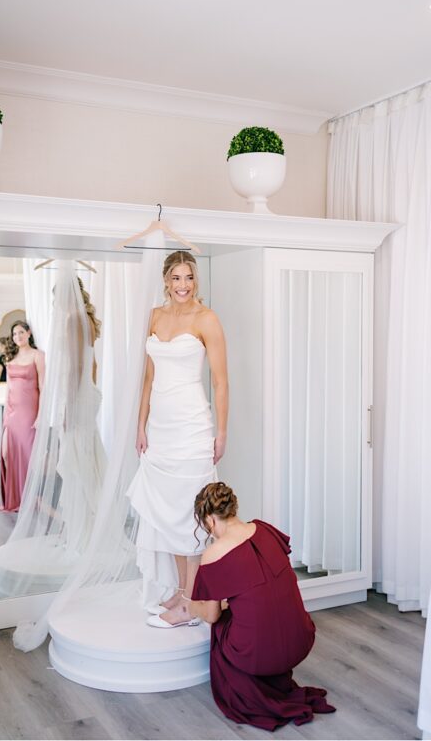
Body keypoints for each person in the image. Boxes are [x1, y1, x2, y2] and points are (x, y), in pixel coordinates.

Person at [179, 482, 335, 730]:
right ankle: (273, 680)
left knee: (219, 625)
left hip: (260, 655)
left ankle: (251, 692)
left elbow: (210, 614)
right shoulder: (265, 530)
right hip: (300, 641)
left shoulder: (214, 552)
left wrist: (190, 606)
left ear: (209, 519)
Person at [128, 250, 229, 626]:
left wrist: (221, 431)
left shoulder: (207, 318)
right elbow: (148, 379)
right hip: (161, 430)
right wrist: (141, 425)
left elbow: (220, 381)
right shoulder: (154, 317)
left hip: (191, 426)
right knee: (165, 511)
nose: (182, 285)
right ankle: (182, 593)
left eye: (188, 277)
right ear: (166, 281)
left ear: (195, 280)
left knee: (189, 513)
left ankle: (192, 603)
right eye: (176, 278)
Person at [0, 320, 44, 513]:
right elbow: (8, 389)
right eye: (14, 334)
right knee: (6, 454)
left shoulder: (38, 356)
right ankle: (15, 498)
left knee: (27, 455)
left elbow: (43, 387)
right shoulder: (11, 358)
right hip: (11, 413)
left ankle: (30, 499)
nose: (17, 337)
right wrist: (4, 415)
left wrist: (41, 415)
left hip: (29, 413)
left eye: (20, 333)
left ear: (28, 333)